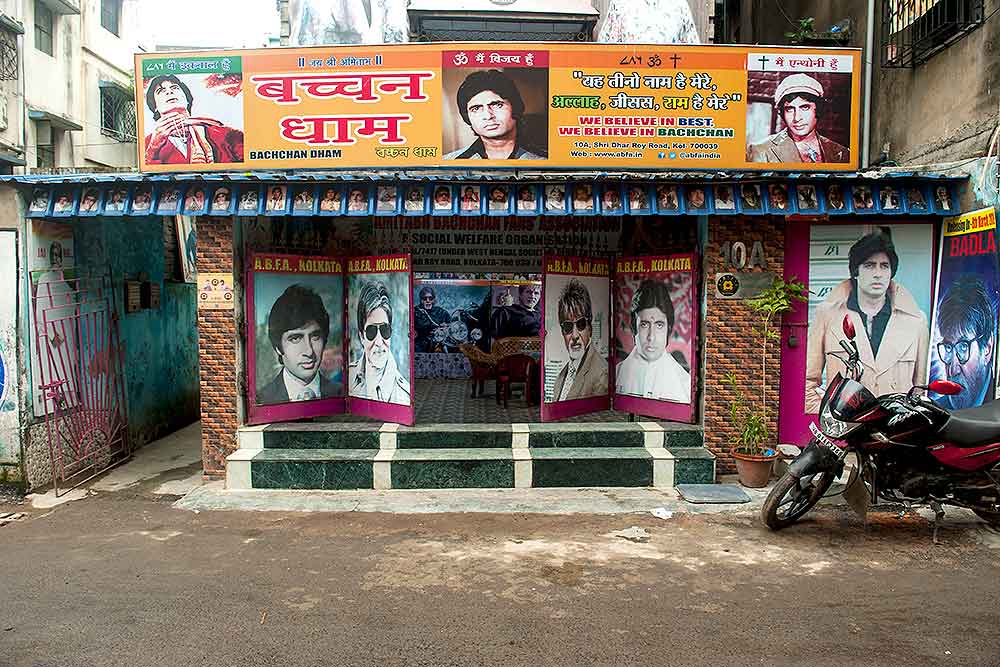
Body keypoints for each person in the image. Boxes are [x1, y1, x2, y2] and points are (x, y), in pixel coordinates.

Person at [805, 229, 929, 413]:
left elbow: (920, 387)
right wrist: (828, 416)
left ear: (891, 272)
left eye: (884, 266)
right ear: (856, 271)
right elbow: (808, 381)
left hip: (895, 429)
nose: (878, 273)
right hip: (847, 427)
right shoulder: (827, 314)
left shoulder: (917, 321)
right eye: (870, 265)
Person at [257, 284, 337, 404]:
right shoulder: (261, 400)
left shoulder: (339, 394)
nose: (309, 351)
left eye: (315, 336)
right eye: (295, 339)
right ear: (278, 347)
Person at [747, 73, 850, 164]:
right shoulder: (761, 150)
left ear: (818, 109)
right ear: (782, 113)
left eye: (805, 107)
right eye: (790, 109)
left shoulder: (842, 152)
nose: (797, 118)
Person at [616, 280, 691, 402]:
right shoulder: (616, 375)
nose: (651, 337)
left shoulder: (684, 385)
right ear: (634, 327)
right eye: (644, 324)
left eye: (659, 325)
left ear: (669, 329)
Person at [143, 74, 244, 165]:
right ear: (154, 106)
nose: (169, 92)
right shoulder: (148, 144)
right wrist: (153, 148)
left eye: (175, 88)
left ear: (187, 99)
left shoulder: (225, 133)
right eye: (161, 91)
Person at [444, 69, 545, 160]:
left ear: (515, 107)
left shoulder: (544, 161)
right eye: (476, 108)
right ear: (467, 117)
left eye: (497, 105)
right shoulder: (449, 162)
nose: (488, 116)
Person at [933, 276, 996, 410]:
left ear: (987, 349)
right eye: (948, 347)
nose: (952, 370)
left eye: (963, 346)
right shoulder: (938, 410)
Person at [350, 281, 411, 404]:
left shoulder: (404, 396)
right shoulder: (348, 378)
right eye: (371, 331)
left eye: (384, 330)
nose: (379, 342)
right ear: (361, 336)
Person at [550, 280, 608, 401]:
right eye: (568, 326)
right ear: (562, 332)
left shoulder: (601, 375)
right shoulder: (561, 376)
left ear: (590, 328)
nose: (575, 335)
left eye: (581, 324)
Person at [414, 286, 452, 353]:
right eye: (425, 298)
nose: (428, 301)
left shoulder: (441, 312)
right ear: (421, 300)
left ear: (434, 300)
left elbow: (451, 325)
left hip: (439, 340)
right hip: (421, 342)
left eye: (430, 298)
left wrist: (446, 326)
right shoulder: (415, 311)